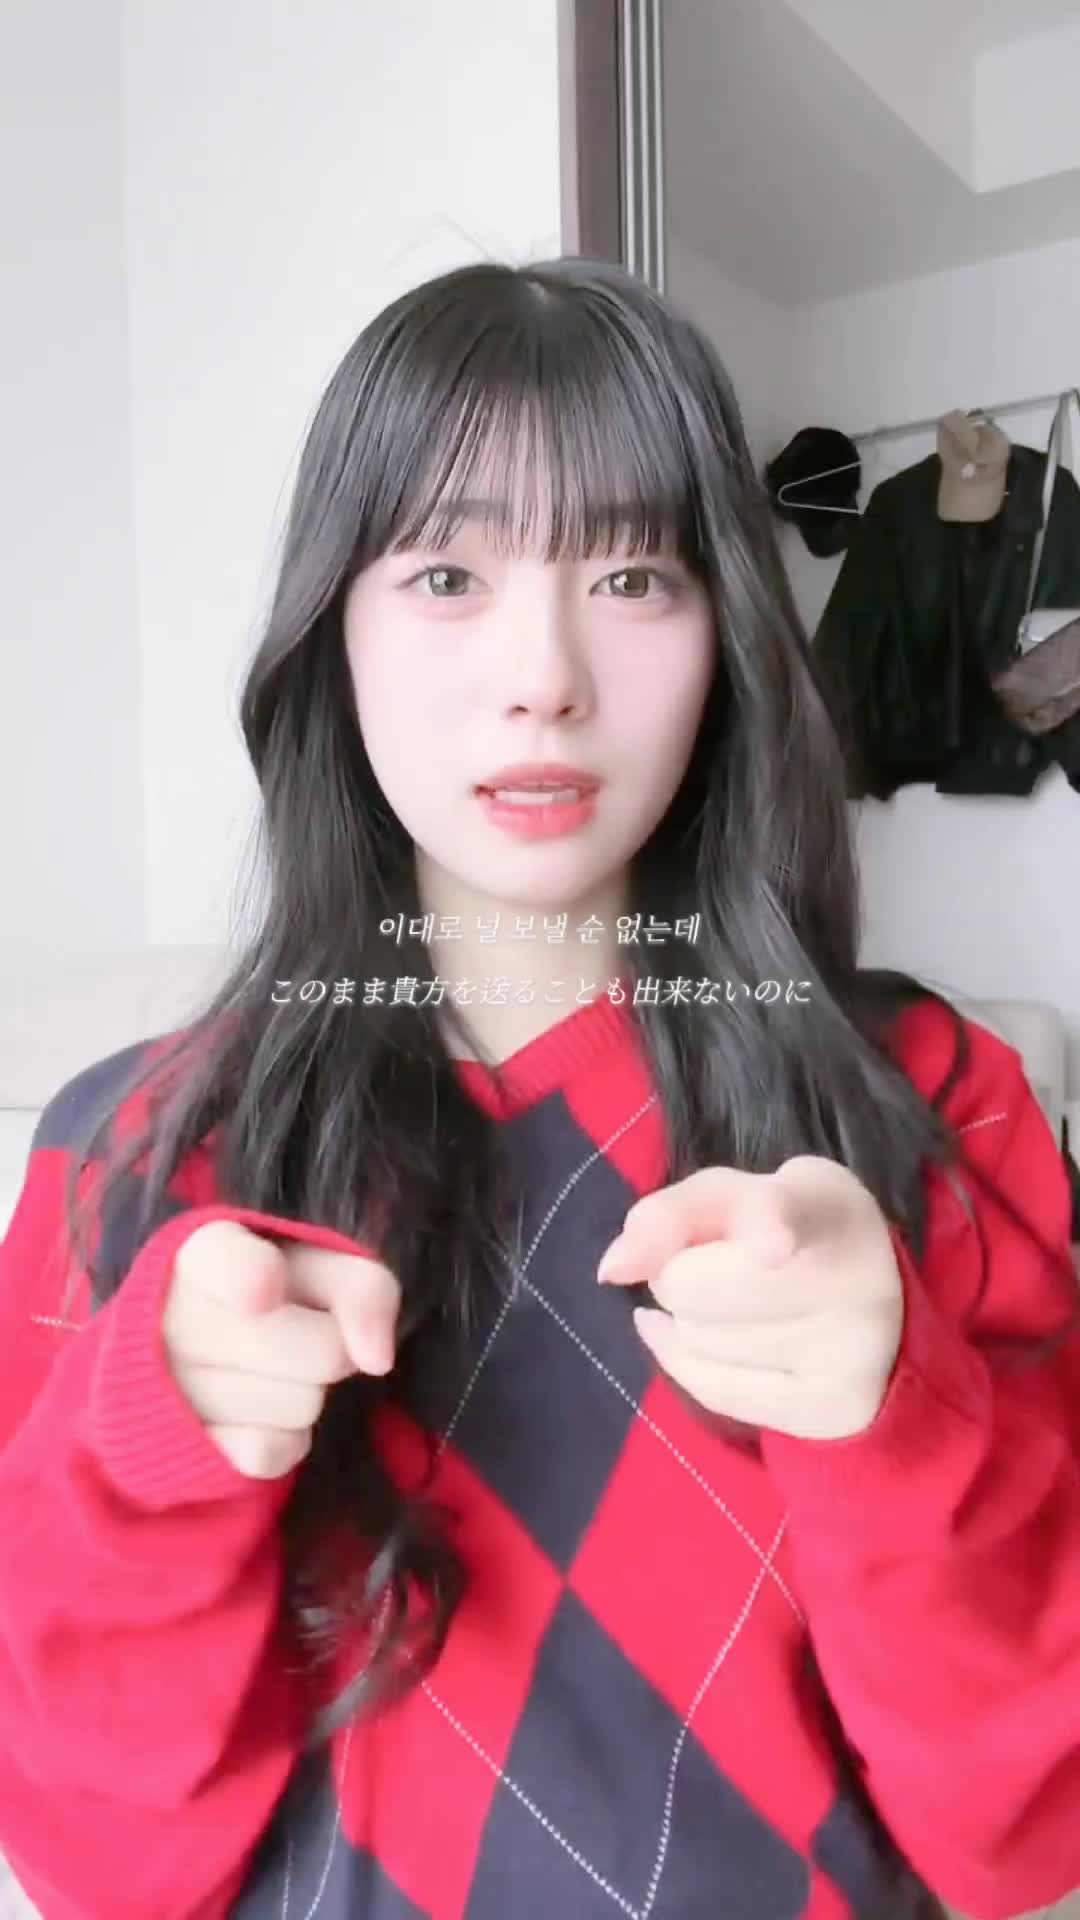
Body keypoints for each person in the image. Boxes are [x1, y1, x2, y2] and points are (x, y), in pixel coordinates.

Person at [0, 258, 1078, 1920]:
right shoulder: (127, 1148)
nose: (545, 676)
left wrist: (897, 1416)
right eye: (446, 572)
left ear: (726, 633)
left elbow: (1030, 1840)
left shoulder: (941, 1101)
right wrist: (156, 1459)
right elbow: (93, 1869)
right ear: (331, 635)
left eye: (634, 573)